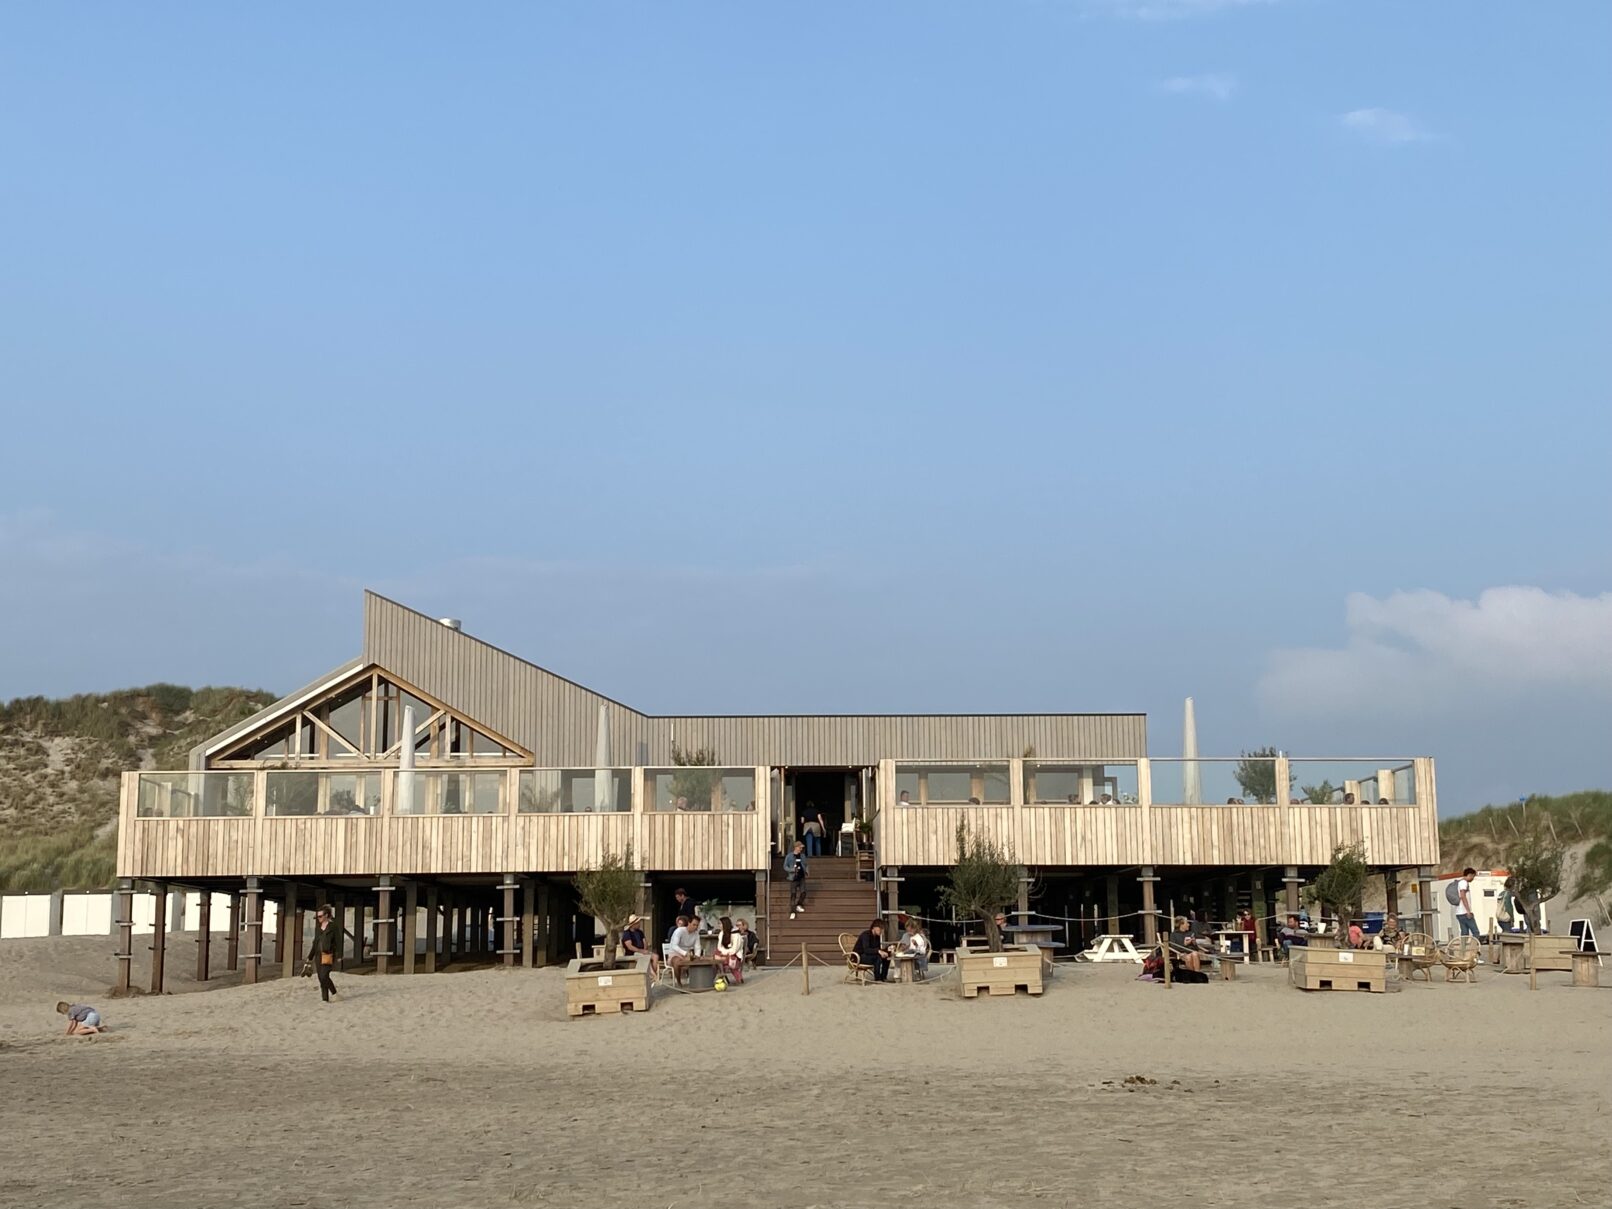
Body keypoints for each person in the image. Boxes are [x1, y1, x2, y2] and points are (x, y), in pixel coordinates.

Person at [302, 905, 341, 1003]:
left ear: (326, 915)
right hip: (318, 956)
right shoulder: (318, 928)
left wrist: (339, 955)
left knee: (324, 976)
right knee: (320, 978)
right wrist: (309, 957)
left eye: (320, 916)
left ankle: (335, 993)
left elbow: (339, 941)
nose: (318, 918)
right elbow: (315, 943)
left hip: (328, 955)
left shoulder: (333, 927)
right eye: (317, 917)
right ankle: (325, 999)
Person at [1453, 866, 1484, 957]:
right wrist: (1468, 911)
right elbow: (1463, 896)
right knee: (1476, 932)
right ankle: (1473, 953)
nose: (1473, 879)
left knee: (1464, 933)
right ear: (1469, 875)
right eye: (1473, 876)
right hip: (1464, 912)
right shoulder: (1463, 883)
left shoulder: (1459, 882)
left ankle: (1462, 954)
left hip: (1459, 913)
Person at [667, 915, 699, 986]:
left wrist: (697, 955)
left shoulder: (696, 934)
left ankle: (697, 981)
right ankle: (679, 982)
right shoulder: (679, 931)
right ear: (689, 923)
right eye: (694, 925)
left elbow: (697, 947)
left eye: (697, 925)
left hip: (687, 955)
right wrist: (685, 953)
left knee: (699, 960)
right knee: (677, 962)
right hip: (675, 953)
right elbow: (674, 946)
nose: (695, 927)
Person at [713, 915, 745, 984]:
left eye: (720, 924)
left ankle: (727, 975)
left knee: (721, 959)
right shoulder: (721, 933)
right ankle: (722, 973)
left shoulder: (736, 934)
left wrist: (725, 953)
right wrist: (724, 952)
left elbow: (734, 949)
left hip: (734, 955)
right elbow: (719, 947)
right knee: (715, 955)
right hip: (724, 954)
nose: (719, 925)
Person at [784, 841, 809, 919]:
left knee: (803, 892)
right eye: (800, 847)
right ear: (796, 847)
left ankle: (799, 904)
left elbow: (806, 864)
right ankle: (792, 911)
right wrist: (792, 870)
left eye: (801, 847)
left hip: (801, 876)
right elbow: (785, 866)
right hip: (793, 877)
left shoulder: (803, 856)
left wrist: (807, 871)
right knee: (793, 895)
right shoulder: (789, 856)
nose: (801, 849)